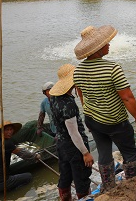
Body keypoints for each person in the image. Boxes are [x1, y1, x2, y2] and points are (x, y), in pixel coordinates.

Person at [73, 25, 136, 192]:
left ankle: (109, 187)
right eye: (106, 43)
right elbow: (127, 97)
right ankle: (135, 185)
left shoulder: (77, 72)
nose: (109, 44)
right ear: (98, 49)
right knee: (129, 153)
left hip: (93, 120)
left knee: (104, 154)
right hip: (115, 121)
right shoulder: (112, 68)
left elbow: (83, 97)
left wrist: (90, 117)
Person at [50, 64, 94, 200]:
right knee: (81, 176)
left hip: (61, 143)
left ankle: (65, 198)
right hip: (73, 146)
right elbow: (74, 133)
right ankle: (83, 197)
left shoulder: (54, 99)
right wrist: (85, 153)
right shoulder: (68, 104)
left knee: (65, 174)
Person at [0, 121, 40, 192]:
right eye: (7, 130)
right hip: (1, 184)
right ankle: (15, 193)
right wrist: (36, 156)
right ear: (1, 132)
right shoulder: (7, 143)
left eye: (11, 129)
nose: (10, 132)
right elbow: (22, 153)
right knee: (28, 176)